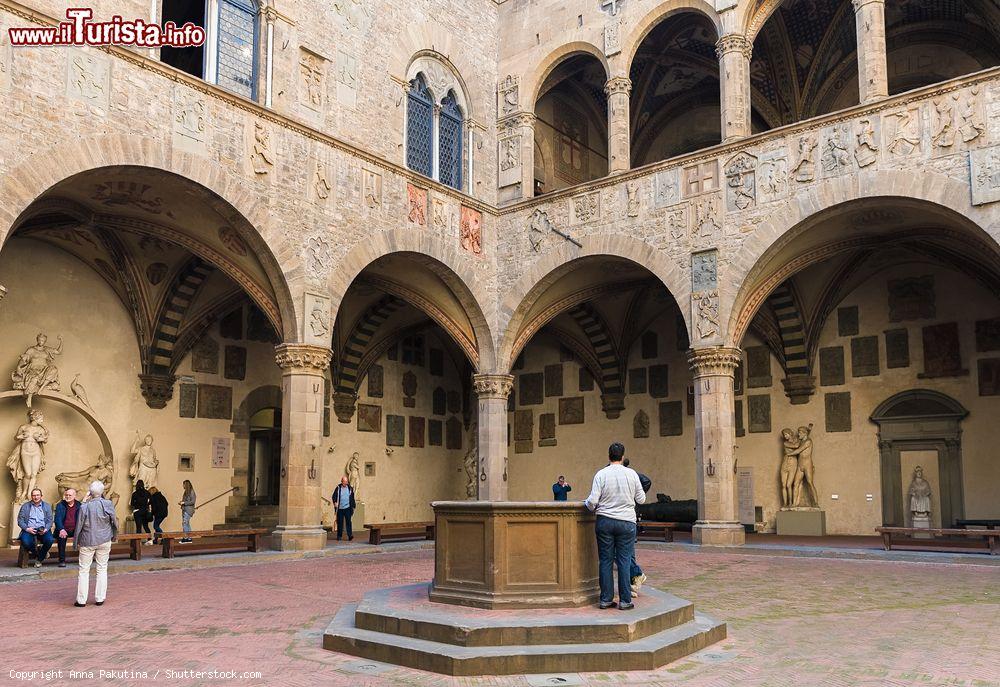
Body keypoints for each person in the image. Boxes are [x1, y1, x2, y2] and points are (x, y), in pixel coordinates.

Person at [585, 442, 645, 610]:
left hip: (605, 521)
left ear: (608, 456)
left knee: (605, 560)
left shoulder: (601, 474)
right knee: (624, 561)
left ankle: (605, 599)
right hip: (626, 522)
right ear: (623, 456)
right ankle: (625, 600)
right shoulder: (632, 474)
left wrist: (588, 505)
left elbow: (592, 502)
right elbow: (641, 499)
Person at [74, 480, 118, 607]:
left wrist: (76, 542)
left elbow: (79, 525)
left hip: (87, 540)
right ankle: (100, 598)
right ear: (102, 492)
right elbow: (114, 521)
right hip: (104, 539)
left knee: (83, 570)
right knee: (102, 568)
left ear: (90, 492)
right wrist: (114, 535)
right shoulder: (108, 504)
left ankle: (81, 600)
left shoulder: (84, 506)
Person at [623, 459, 651, 596]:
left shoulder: (631, 474)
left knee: (623, 553)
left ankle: (637, 574)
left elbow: (646, 482)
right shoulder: (612, 472)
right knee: (628, 553)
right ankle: (631, 583)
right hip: (627, 519)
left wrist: (633, 496)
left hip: (626, 517)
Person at [17, 487, 54, 568]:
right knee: (25, 541)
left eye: (38, 495)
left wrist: (46, 529)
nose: (36, 497)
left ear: (41, 496)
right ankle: (40, 554)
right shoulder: (25, 506)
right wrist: (27, 529)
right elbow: (20, 521)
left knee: (50, 540)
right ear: (31, 496)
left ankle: (39, 559)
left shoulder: (47, 506)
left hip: (43, 529)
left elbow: (50, 520)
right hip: (29, 529)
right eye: (34, 495)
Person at [54, 487, 80, 567]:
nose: (67, 497)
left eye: (70, 495)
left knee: (85, 536)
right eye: (66, 495)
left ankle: (84, 559)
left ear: (74, 496)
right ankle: (62, 560)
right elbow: (57, 519)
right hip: (63, 529)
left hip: (75, 530)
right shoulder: (60, 505)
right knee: (61, 537)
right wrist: (61, 529)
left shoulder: (79, 505)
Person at [333, 475, 356, 541]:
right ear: (341, 481)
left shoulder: (350, 488)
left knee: (348, 522)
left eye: (346, 482)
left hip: (348, 508)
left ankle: (350, 535)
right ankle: (339, 536)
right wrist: (335, 502)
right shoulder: (338, 488)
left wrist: (353, 506)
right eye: (344, 482)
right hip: (340, 508)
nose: (345, 483)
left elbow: (352, 498)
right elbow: (334, 496)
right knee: (340, 522)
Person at [130, 480, 152, 544]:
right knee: (146, 526)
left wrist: (137, 504)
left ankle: (138, 541)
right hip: (145, 510)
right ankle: (150, 540)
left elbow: (132, 503)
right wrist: (146, 505)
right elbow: (150, 501)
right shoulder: (147, 492)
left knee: (138, 527)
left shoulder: (135, 493)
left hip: (137, 511)